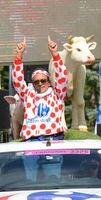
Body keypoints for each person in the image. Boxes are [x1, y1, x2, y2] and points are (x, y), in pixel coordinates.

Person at [13, 35, 68, 182]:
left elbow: (63, 76)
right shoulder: (28, 95)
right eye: (36, 81)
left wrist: (55, 54)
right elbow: (17, 81)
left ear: (49, 82)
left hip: (53, 140)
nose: (40, 84)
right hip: (31, 141)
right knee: (30, 180)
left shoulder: (57, 94)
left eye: (43, 81)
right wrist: (19, 55)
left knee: (53, 179)